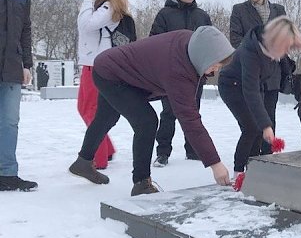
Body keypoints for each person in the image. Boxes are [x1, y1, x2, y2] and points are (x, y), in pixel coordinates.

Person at [69, 26, 235, 196]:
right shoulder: (177, 68)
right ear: (203, 56)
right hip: (111, 73)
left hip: (115, 68)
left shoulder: (191, 44)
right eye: (214, 65)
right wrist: (215, 163)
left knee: (106, 118)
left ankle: (83, 161)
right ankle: (141, 183)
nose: (215, 71)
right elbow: (190, 120)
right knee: (146, 122)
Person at [219, 16, 301, 177]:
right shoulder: (250, 52)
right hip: (232, 87)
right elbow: (250, 91)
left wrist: (264, 124)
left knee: (259, 126)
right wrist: (265, 125)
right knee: (251, 127)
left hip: (256, 86)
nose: (286, 52)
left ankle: (255, 166)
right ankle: (238, 171)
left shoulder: (271, 50)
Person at [150, 0, 213, 166]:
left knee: (193, 112)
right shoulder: (165, 14)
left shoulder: (201, 15)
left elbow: (210, 41)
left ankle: (193, 150)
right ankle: (163, 152)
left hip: (195, 72)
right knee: (169, 113)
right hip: (171, 73)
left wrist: (208, 68)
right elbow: (155, 41)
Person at [76, 0, 130, 169]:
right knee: (85, 107)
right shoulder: (102, 3)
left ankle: (96, 158)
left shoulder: (109, 4)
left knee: (90, 110)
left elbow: (86, 25)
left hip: (98, 64)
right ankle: (106, 149)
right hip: (91, 62)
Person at [229, 0, 287, 156]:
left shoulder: (278, 10)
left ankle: (269, 159)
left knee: (270, 116)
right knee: (254, 121)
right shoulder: (239, 10)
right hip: (250, 71)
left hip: (272, 73)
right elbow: (235, 40)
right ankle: (251, 160)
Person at [0, 0, 37, 191]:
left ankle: (8, 174)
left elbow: (26, 30)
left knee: (10, 121)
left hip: (12, 67)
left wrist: (27, 64)